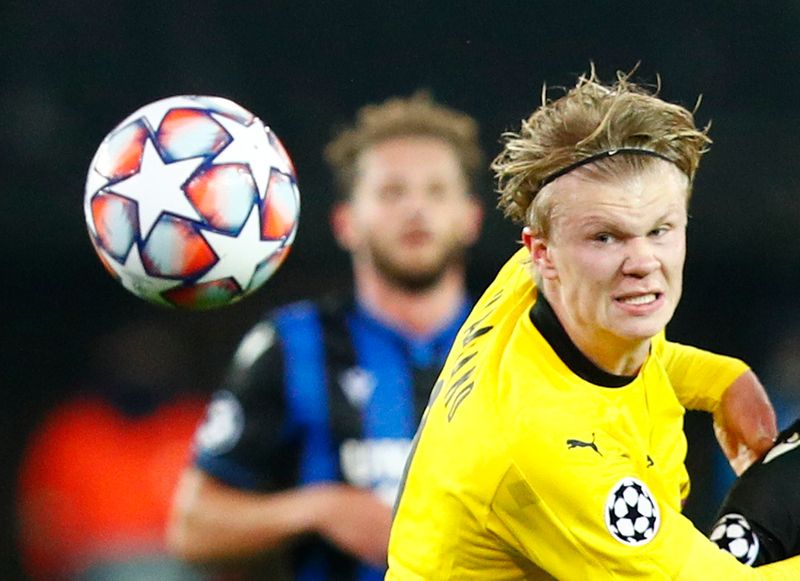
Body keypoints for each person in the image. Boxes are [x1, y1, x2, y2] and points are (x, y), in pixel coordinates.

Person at [386, 69, 800, 578]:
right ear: (542, 253)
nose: (643, 261)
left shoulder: (553, 289)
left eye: (661, 229)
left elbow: (627, 367)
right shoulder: (546, 449)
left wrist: (720, 380)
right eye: (606, 238)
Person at [166, 92, 485, 579]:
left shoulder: (519, 345)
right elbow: (192, 528)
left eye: (437, 191)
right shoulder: (292, 345)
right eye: (392, 192)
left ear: (471, 218)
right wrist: (319, 508)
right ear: (345, 223)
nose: (416, 209)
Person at [17, 319, 209, 580]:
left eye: (151, 356)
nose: (140, 367)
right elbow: (40, 530)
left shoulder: (197, 424)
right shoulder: (73, 430)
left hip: (183, 567)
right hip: (96, 569)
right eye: (131, 357)